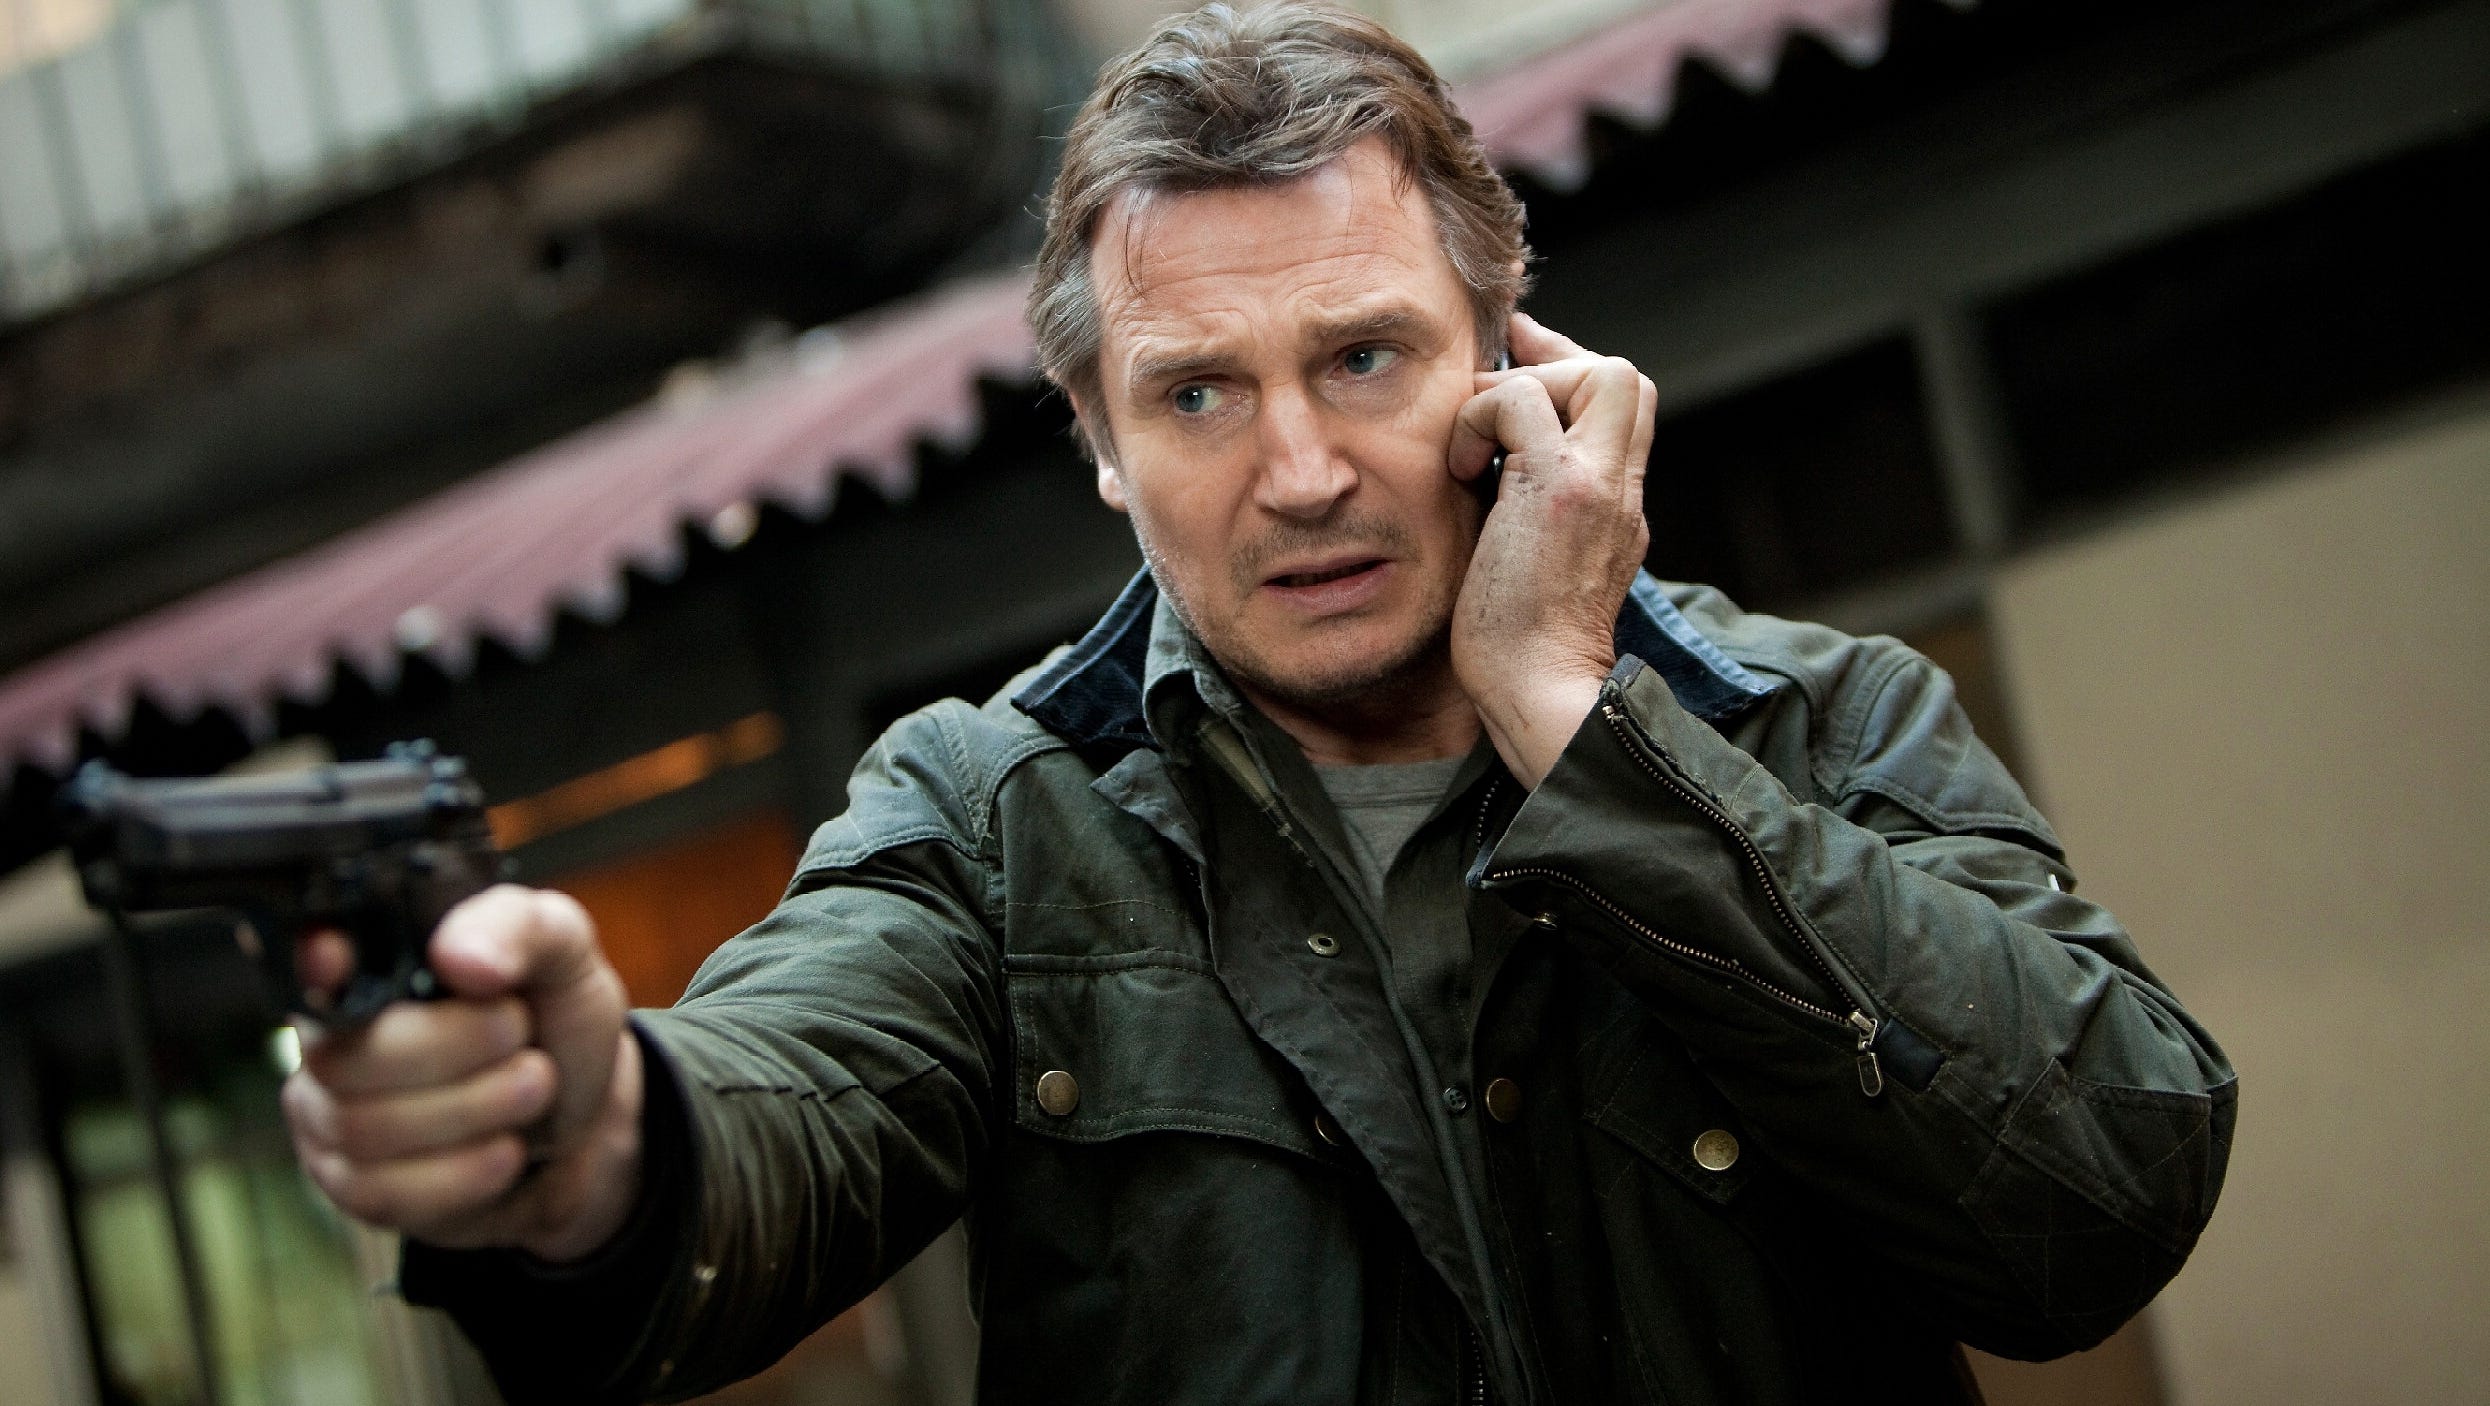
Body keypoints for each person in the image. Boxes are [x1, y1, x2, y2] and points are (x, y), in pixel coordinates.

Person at [279, 5, 2236, 1402]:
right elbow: (784, 1104)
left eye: (1363, 356)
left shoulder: (1819, 720)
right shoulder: (993, 823)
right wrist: (591, 1144)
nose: (1297, 473)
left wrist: (1578, 717)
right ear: (1097, 438)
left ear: (1509, 358)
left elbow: (2099, 1202)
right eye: (1198, 393)